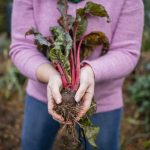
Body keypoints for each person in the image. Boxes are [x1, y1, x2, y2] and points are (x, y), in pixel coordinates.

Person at [9, 0, 144, 149]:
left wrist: (90, 70)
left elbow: (127, 53)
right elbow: (22, 47)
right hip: (41, 95)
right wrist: (52, 76)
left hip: (103, 101)